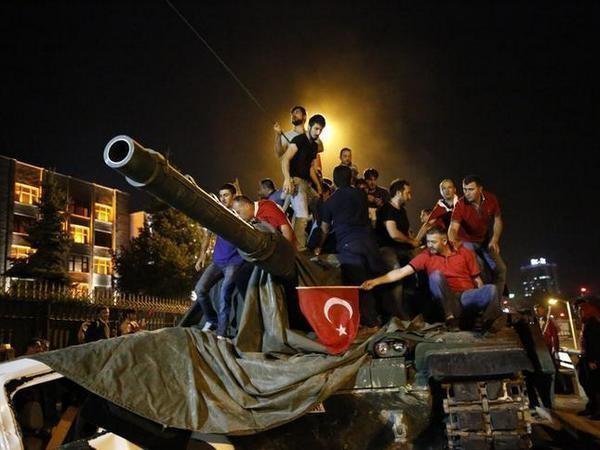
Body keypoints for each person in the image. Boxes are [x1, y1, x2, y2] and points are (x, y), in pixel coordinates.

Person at [362, 227, 503, 331]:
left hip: (466, 297)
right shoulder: (426, 256)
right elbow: (400, 272)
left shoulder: (464, 253)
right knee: (436, 276)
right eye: (428, 241)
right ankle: (450, 319)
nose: (429, 245)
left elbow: (477, 280)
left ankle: (487, 322)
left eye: (433, 242)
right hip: (447, 300)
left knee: (491, 289)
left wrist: (482, 300)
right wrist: (375, 281)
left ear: (444, 241)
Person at [315, 165, 386, 327]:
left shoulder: (330, 202)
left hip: (349, 246)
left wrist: (319, 246)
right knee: (377, 281)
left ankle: (370, 323)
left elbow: (324, 229)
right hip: (369, 243)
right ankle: (385, 318)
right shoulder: (361, 195)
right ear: (351, 179)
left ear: (334, 181)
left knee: (360, 285)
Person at [193, 183, 244, 339]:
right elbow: (207, 235)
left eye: (226, 195)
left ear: (234, 196)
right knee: (200, 289)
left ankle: (222, 333)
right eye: (221, 195)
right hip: (217, 262)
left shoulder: (239, 213)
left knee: (224, 295)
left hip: (234, 262)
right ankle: (212, 320)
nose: (222, 198)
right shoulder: (216, 214)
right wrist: (202, 255)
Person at [448, 175, 507, 298]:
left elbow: (498, 220)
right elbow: (453, 228)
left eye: (471, 189)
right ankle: (483, 299)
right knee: (479, 267)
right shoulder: (460, 204)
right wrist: (453, 242)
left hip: (484, 241)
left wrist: (495, 239)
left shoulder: (491, 199)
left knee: (501, 269)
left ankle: (496, 301)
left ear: (480, 189)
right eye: (464, 189)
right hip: (466, 242)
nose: (467, 193)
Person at [281, 114, 326, 251]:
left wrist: (318, 186)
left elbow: (310, 167)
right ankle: (298, 250)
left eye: (320, 130)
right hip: (296, 181)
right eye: (316, 129)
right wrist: (287, 179)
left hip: (306, 184)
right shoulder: (299, 140)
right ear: (310, 126)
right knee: (302, 216)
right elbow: (285, 159)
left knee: (319, 206)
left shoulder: (314, 146)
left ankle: (312, 243)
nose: (318, 132)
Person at [375, 179, 420, 269]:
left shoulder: (402, 210)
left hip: (402, 248)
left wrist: (413, 239)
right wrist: (411, 241)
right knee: (396, 269)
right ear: (399, 193)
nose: (410, 196)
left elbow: (406, 229)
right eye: (407, 193)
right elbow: (394, 234)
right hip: (388, 248)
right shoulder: (387, 209)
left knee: (416, 268)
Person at [575, 296, 600, 419]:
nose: (579, 312)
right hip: (586, 357)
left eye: (581, 309)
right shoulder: (586, 322)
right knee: (585, 381)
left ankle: (597, 410)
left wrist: (593, 360)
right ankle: (592, 407)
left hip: (593, 359)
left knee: (595, 384)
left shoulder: (593, 323)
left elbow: (594, 343)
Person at [415, 178, 458, 243]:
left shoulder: (462, 203)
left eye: (449, 187)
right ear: (441, 191)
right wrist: (416, 241)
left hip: (467, 239)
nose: (447, 191)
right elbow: (427, 225)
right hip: (450, 241)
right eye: (444, 188)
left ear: (454, 189)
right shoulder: (439, 207)